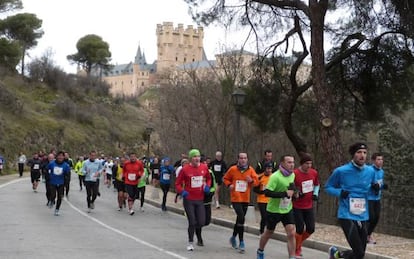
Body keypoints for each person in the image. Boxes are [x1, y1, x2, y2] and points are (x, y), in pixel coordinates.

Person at [325, 143, 376, 259]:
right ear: (353, 155)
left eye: (364, 153)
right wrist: (340, 193)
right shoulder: (341, 171)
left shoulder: (370, 171)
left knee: (360, 254)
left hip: (363, 215)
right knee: (358, 252)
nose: (362, 155)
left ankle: (338, 254)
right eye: (359, 152)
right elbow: (328, 187)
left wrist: (376, 188)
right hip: (346, 214)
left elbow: (373, 188)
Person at [256, 154, 298, 259]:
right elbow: (267, 193)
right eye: (289, 162)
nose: (292, 165)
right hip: (274, 210)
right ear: (282, 163)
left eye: (293, 162)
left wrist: (296, 194)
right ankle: (260, 250)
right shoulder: (275, 176)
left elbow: (291, 189)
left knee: (291, 232)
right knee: (269, 232)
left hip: (287, 209)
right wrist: (284, 194)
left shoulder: (292, 175)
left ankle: (292, 256)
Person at [175, 149, 211, 251]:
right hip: (189, 199)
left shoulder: (204, 167)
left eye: (198, 156)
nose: (197, 158)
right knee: (192, 222)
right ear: (191, 158)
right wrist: (182, 192)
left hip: (200, 199)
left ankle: (195, 233)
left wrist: (207, 186)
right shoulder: (185, 169)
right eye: (195, 156)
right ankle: (190, 242)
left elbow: (208, 179)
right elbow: (177, 183)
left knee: (201, 221)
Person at [224, 152, 259, 254]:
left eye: (245, 158)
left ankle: (233, 237)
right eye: (241, 158)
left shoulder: (250, 170)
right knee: (242, 218)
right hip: (235, 198)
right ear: (238, 159)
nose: (243, 160)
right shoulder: (233, 169)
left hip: (245, 198)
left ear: (247, 159)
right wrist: (229, 185)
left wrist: (251, 181)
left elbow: (257, 182)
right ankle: (242, 242)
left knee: (239, 220)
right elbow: (225, 178)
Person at [292, 154, 320, 259]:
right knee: (299, 228)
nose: (309, 166)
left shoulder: (314, 172)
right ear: (301, 164)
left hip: (309, 205)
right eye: (306, 164)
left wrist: (315, 194)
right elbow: (290, 186)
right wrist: (297, 193)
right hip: (297, 205)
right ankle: (296, 249)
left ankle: (297, 244)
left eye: (310, 163)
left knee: (311, 229)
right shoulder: (295, 173)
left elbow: (317, 184)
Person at [367, 152, 388, 244]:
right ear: (373, 160)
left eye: (382, 159)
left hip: (377, 198)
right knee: (371, 217)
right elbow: (365, 183)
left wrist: (384, 186)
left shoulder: (382, 171)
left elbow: (380, 184)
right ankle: (365, 235)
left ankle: (368, 234)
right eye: (378, 159)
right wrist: (372, 185)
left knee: (377, 218)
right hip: (369, 198)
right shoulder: (369, 170)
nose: (380, 161)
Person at [46, 151, 71, 216]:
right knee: (53, 195)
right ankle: (51, 201)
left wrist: (66, 183)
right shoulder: (52, 164)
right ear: (56, 156)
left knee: (60, 197)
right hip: (52, 182)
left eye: (62, 156)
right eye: (59, 156)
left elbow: (67, 175)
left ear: (63, 157)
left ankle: (57, 209)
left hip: (61, 183)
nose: (60, 157)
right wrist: (48, 178)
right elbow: (46, 170)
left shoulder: (65, 165)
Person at [253, 162, 273, 235]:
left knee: (270, 217)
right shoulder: (260, 177)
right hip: (262, 200)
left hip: (271, 200)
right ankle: (261, 231)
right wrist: (262, 192)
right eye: (268, 168)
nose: (269, 170)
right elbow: (255, 189)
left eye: (270, 169)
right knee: (264, 216)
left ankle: (268, 231)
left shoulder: (274, 177)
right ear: (265, 169)